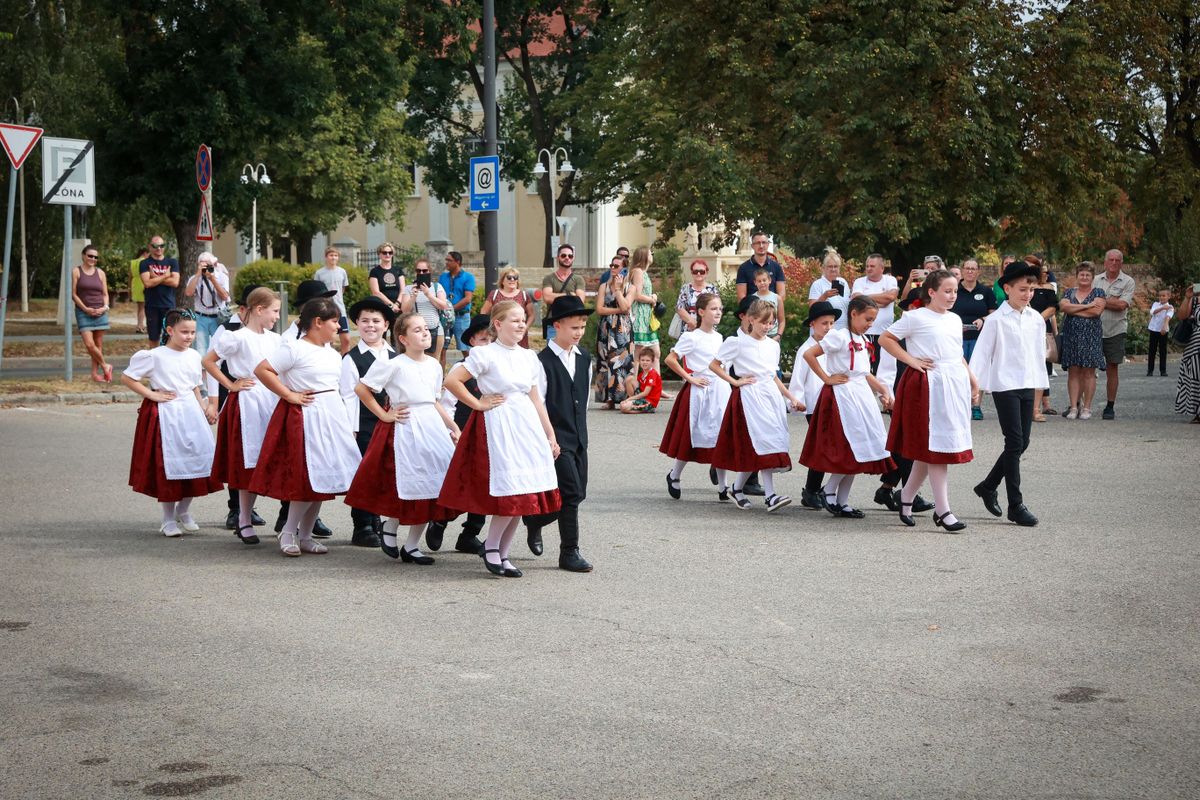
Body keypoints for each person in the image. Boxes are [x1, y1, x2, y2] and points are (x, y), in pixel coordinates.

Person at [439, 300, 562, 577]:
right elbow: (452, 381)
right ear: (498, 323)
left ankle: (503, 552)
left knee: (525, 491)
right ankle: (492, 546)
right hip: (499, 424)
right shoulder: (486, 354)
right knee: (511, 491)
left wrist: (549, 434)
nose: (520, 325)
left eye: (523, 320)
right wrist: (478, 403)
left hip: (525, 423)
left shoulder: (529, 357)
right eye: (514, 320)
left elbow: (535, 398)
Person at [345, 312, 460, 565]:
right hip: (406, 427)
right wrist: (384, 416)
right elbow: (362, 389)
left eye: (426, 329)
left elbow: (434, 401)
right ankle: (391, 525)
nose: (425, 333)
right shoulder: (393, 363)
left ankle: (411, 546)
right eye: (417, 330)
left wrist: (452, 426)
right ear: (403, 338)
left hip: (431, 427)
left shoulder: (432, 365)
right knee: (410, 484)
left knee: (433, 486)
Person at [251, 298, 362, 557]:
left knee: (324, 478)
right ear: (317, 322)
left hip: (331, 416)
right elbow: (263, 370)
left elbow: (340, 390)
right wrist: (289, 394)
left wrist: (346, 423)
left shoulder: (332, 354)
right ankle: (289, 531)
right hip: (307, 418)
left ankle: (306, 535)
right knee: (307, 478)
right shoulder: (294, 348)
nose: (338, 326)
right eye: (334, 321)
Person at [881, 270, 980, 533]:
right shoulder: (915, 317)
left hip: (953, 383)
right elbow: (885, 339)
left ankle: (905, 498)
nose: (952, 296)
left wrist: (972, 379)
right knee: (937, 450)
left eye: (955, 291)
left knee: (934, 449)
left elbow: (956, 354)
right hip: (928, 386)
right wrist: (911, 360)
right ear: (932, 292)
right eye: (947, 291)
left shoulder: (955, 319)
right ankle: (943, 510)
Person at [122, 309, 222, 537]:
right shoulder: (155, 355)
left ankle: (184, 510)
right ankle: (167, 519)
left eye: (192, 332)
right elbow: (128, 377)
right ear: (169, 330)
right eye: (184, 332)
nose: (189, 336)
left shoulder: (194, 356)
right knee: (169, 467)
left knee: (197, 463)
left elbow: (194, 385)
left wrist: (204, 406)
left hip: (190, 413)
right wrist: (152, 394)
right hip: (167, 415)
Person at [798, 296, 895, 518]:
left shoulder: (862, 338)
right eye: (867, 319)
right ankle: (830, 492)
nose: (870, 323)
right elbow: (809, 354)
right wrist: (826, 378)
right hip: (842, 398)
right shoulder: (839, 337)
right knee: (850, 448)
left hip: (861, 397)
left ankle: (841, 500)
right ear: (853, 314)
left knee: (863, 448)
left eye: (873, 320)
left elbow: (863, 372)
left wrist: (882, 390)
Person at [968, 260, 1047, 527]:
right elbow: (981, 354)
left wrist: (1040, 388)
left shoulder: (1036, 319)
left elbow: (1038, 356)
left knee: (1022, 442)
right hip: (1005, 385)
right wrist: (975, 387)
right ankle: (1016, 505)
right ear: (1008, 288)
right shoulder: (996, 320)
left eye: (1031, 290)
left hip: (1027, 384)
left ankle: (988, 486)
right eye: (1023, 289)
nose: (1028, 294)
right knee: (1014, 442)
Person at [521, 297, 596, 572]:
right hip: (553, 438)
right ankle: (569, 552)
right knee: (572, 493)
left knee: (575, 494)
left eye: (583, 326)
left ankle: (534, 520)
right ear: (557, 326)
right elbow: (536, 402)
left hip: (578, 438)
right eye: (573, 327)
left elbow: (584, 399)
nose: (579, 332)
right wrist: (547, 438)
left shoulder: (584, 358)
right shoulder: (541, 362)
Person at [203, 287, 282, 544]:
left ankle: (283, 520)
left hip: (270, 398)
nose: (277, 317)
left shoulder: (274, 339)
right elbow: (208, 361)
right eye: (274, 311)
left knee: (268, 459)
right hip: (247, 401)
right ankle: (244, 517)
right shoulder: (236, 337)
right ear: (259, 310)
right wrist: (230, 384)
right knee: (247, 461)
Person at [710, 299, 805, 512]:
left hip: (770, 397)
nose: (767, 326)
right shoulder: (737, 342)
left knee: (769, 444)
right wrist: (735, 382)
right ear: (751, 319)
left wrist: (792, 398)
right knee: (761, 444)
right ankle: (770, 495)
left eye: (771, 323)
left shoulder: (773, 345)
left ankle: (737, 488)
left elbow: (773, 376)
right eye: (763, 322)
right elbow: (715, 365)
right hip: (750, 397)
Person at [430, 313, 492, 555]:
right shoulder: (461, 368)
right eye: (483, 340)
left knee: (486, 485)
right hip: (462, 433)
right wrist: (451, 432)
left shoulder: (497, 366)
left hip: (491, 434)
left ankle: (470, 533)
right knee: (460, 484)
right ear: (473, 343)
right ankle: (440, 521)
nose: (487, 345)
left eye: (491, 340)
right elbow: (447, 404)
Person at [339, 297, 397, 548]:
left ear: (386, 325)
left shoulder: (396, 356)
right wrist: (351, 430)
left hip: (392, 422)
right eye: (364, 321)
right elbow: (348, 396)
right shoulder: (351, 358)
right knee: (364, 473)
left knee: (385, 472)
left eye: (376, 321)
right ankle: (362, 524)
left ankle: (378, 521)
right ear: (357, 324)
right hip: (364, 424)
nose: (370, 326)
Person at [661, 292, 731, 499]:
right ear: (701, 312)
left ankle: (723, 486)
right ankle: (675, 474)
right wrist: (690, 378)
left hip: (720, 390)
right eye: (713, 308)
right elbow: (670, 359)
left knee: (720, 435)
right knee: (691, 436)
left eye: (720, 308)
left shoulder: (720, 337)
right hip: (699, 391)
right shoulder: (691, 337)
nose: (718, 312)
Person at [789, 301, 840, 510]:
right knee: (822, 448)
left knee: (828, 447)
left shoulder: (833, 345)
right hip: (814, 405)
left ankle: (816, 488)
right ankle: (811, 490)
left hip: (833, 404)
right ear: (813, 324)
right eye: (823, 323)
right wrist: (796, 400)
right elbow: (798, 378)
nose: (828, 328)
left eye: (831, 323)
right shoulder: (806, 349)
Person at [1058, 262, 1107, 420]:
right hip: (1071, 336)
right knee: (1073, 372)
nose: (1084, 277)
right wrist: (1087, 306)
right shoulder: (1069, 292)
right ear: (1077, 276)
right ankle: (1073, 407)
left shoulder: (1099, 291)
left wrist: (1075, 309)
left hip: (1091, 337)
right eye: (1082, 274)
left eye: (1087, 275)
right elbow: (1064, 308)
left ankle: (1087, 408)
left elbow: (1097, 312)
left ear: (1092, 277)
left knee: (1089, 372)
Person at [951, 258, 998, 420]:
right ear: (962, 271)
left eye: (973, 269)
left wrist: (983, 319)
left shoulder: (986, 291)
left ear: (978, 271)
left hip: (980, 338)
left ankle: (975, 406)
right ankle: (958, 406)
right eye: (967, 268)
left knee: (977, 372)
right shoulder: (954, 290)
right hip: (957, 338)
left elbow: (994, 313)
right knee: (958, 372)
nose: (970, 271)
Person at [1094, 249, 1136, 419]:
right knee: (1086, 369)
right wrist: (1110, 302)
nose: (1113, 263)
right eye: (1110, 260)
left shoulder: (1128, 281)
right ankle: (1081, 405)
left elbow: (1122, 305)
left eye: (1117, 260)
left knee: (1112, 368)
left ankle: (1110, 406)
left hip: (1116, 330)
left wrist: (1102, 301)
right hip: (1095, 328)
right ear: (1105, 262)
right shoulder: (1096, 280)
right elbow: (1088, 301)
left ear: (1121, 263)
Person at [71, 244, 113, 383]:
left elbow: (105, 294)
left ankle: (95, 374)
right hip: (84, 312)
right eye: (90, 256)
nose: (93, 259)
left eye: (95, 257)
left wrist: (105, 307)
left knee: (98, 345)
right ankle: (105, 365)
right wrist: (85, 308)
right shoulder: (76, 271)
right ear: (83, 256)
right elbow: (74, 295)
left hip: (100, 312)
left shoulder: (100, 273)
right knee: (89, 345)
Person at [851, 253, 899, 373]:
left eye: (872, 266)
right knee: (864, 368)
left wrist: (866, 300)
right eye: (867, 266)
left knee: (883, 369)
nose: (868, 269)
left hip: (885, 334)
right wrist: (882, 301)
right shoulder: (859, 282)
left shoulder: (890, 280)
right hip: (864, 333)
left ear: (881, 268)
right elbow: (857, 299)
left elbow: (891, 296)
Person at [595, 263, 634, 408]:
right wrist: (618, 310)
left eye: (616, 266)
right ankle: (608, 399)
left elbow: (626, 306)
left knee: (621, 361)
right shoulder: (603, 286)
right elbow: (599, 309)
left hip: (622, 329)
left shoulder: (630, 287)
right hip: (606, 328)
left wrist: (618, 289)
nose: (613, 268)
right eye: (611, 264)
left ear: (624, 269)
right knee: (605, 361)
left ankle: (623, 397)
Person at [402, 258, 452, 359]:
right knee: (416, 360)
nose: (421, 273)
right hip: (416, 332)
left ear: (429, 271)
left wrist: (428, 294)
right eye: (418, 271)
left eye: (424, 271)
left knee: (434, 360)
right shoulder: (409, 288)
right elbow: (405, 310)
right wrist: (413, 297)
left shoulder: (437, 287)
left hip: (435, 331)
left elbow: (443, 306)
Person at [1030, 264, 1060, 420]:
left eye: (1047, 272)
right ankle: (1026, 408)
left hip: (1041, 330)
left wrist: (1036, 320)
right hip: (1024, 330)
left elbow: (1053, 307)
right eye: (1043, 272)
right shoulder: (1025, 288)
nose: (1046, 275)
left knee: (1040, 369)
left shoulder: (1048, 288)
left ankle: (1036, 409)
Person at [184, 251, 230, 354]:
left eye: (209, 265)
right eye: (203, 265)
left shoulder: (222, 277)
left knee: (219, 348)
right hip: (200, 317)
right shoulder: (195, 279)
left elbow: (225, 297)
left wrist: (213, 279)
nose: (207, 268)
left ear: (214, 264)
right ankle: (202, 370)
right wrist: (197, 274)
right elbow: (188, 293)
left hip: (218, 317)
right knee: (201, 349)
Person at [480, 265, 535, 347]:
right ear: (502, 281)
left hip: (518, 335)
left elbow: (532, 315)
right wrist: (489, 328)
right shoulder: (494, 294)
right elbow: (483, 312)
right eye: (509, 277)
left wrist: (525, 328)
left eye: (515, 277)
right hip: (498, 334)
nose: (512, 279)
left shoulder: (524, 295)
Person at [540, 244, 587, 342]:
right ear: (558, 257)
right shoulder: (549, 278)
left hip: (573, 326)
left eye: (570, 256)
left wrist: (557, 297)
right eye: (563, 255)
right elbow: (547, 297)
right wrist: (569, 295)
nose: (567, 258)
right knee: (552, 356)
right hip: (554, 325)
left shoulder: (578, 279)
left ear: (573, 258)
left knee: (571, 355)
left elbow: (580, 300)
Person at [139, 236, 180, 343]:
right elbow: (147, 283)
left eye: (162, 246)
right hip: (152, 306)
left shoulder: (172, 262)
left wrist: (155, 277)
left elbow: (175, 282)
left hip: (169, 306)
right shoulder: (145, 263)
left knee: (170, 338)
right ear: (150, 247)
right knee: (153, 338)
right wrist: (165, 276)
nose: (159, 248)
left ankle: (167, 360)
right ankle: (154, 359)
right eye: (155, 246)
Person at [628, 245, 662, 371]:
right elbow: (636, 295)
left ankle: (655, 386)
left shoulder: (644, 273)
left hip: (647, 317)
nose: (652, 254)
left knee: (655, 353)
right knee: (639, 353)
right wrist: (652, 299)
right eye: (650, 253)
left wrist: (652, 296)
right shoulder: (637, 271)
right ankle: (635, 385)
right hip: (640, 316)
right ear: (644, 256)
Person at [313, 246, 352, 354]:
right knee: (328, 341)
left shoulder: (342, 272)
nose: (333, 258)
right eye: (331, 255)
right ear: (326, 257)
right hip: (325, 309)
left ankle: (345, 362)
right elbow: (317, 290)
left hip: (340, 309)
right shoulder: (319, 273)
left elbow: (343, 288)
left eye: (335, 255)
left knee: (346, 339)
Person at [438, 250, 476, 354]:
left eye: (449, 260)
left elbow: (468, 298)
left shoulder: (468, 277)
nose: (446, 262)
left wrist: (451, 309)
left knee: (465, 348)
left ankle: (470, 369)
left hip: (461, 317)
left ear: (457, 262)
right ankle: (441, 371)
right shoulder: (443, 277)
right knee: (441, 348)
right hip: (445, 317)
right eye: (446, 260)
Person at [735, 231, 786, 303]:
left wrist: (772, 308)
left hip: (772, 310)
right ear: (752, 246)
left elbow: (782, 294)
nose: (761, 246)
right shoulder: (743, 268)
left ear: (768, 244)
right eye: (758, 243)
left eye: (764, 242)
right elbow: (741, 296)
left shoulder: (776, 267)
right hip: (752, 310)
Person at [1174, 285, 1200, 422]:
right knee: (1195, 377)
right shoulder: (1196, 300)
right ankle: (1197, 412)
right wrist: (1187, 297)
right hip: (1196, 344)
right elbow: (1182, 316)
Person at [809, 247, 851, 330]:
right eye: (830, 266)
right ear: (824, 268)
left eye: (836, 266)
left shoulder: (843, 282)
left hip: (843, 328)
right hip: (824, 330)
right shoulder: (817, 284)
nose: (833, 269)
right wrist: (824, 296)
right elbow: (812, 308)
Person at [675, 258, 718, 333]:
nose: (698, 274)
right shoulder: (685, 288)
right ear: (692, 273)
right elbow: (680, 308)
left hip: (708, 329)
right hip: (688, 329)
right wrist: (692, 322)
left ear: (706, 272)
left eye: (701, 271)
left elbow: (717, 308)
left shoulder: (712, 289)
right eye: (695, 271)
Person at [368, 242, 406, 318]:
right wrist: (391, 305)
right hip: (382, 307)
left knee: (397, 329)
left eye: (390, 252)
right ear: (379, 254)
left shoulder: (398, 270)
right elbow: (376, 292)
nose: (387, 255)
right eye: (384, 252)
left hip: (398, 307)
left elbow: (403, 290)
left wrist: (397, 304)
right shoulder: (375, 271)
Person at [620, 347, 662, 413]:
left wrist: (630, 399)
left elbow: (645, 393)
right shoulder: (642, 374)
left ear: (652, 362)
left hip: (650, 402)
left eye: (647, 360)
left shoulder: (653, 374)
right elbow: (637, 387)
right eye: (642, 360)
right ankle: (632, 404)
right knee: (630, 379)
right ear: (639, 361)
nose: (645, 362)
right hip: (643, 398)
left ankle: (647, 409)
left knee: (624, 407)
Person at [752, 268, 785, 342]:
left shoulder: (777, 298)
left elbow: (782, 320)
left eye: (764, 280)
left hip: (773, 335)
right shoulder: (752, 299)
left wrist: (778, 335)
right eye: (759, 281)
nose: (762, 283)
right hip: (757, 335)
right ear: (755, 282)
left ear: (769, 280)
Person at [1147, 288, 1175, 377]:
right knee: (1152, 350)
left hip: (1163, 331)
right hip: (1153, 330)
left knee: (1163, 351)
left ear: (1168, 296)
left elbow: (1168, 317)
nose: (1161, 297)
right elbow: (1152, 312)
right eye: (1160, 296)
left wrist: (1165, 326)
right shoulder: (1156, 304)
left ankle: (1163, 370)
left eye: (1164, 296)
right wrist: (1162, 307)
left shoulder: (1170, 307)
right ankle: (1150, 370)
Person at [130, 247, 148, 333]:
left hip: (135, 284)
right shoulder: (144, 262)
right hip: (143, 283)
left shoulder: (132, 262)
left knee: (139, 307)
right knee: (143, 307)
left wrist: (129, 287)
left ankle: (139, 325)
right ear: (145, 253)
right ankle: (140, 326)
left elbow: (129, 276)